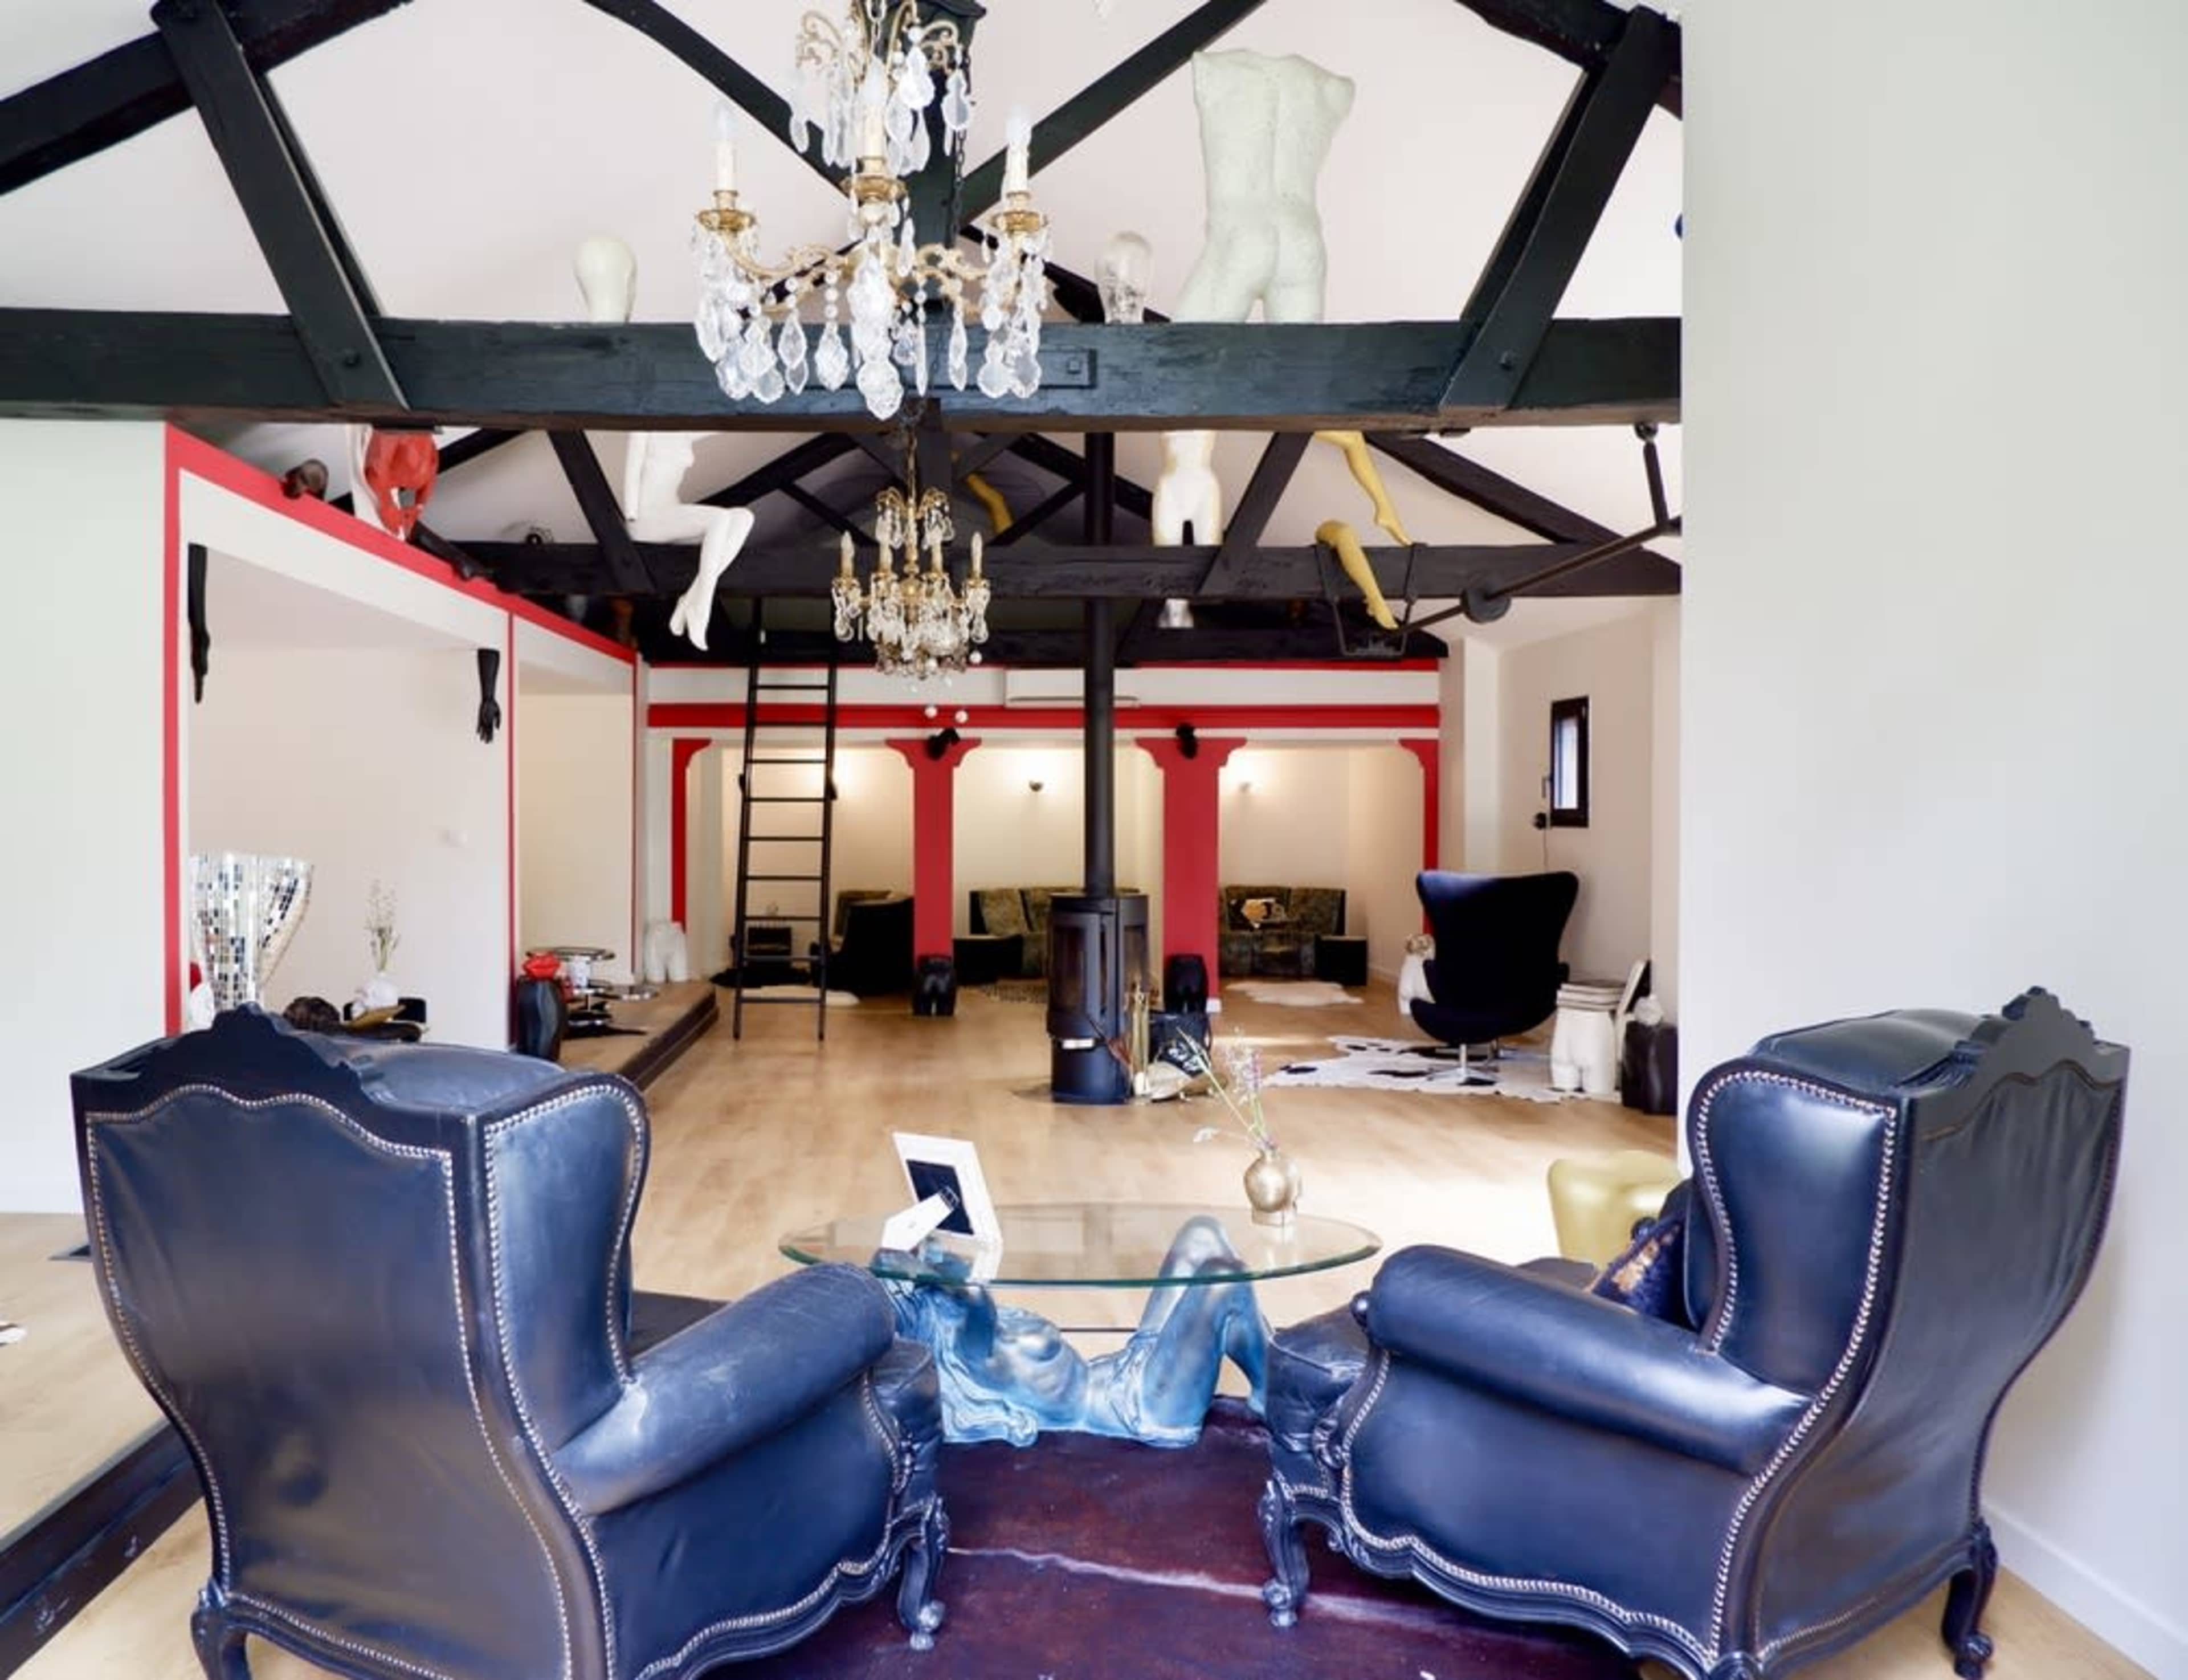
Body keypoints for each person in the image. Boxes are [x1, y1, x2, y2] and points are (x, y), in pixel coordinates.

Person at [890, 1214, 1269, 1447]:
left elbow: (957, 1277)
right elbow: (973, 1294)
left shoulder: (971, 1323)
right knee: (1224, 1279)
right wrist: (901, 1255)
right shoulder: (973, 1356)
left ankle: (1269, 1366)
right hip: (1143, 1409)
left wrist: (921, 1248)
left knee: (1201, 1233)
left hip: (1128, 1366)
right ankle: (1275, 1390)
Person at [572, 235, 754, 651]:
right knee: (722, 521)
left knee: (742, 517)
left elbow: (728, 425)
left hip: (668, 514)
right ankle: (700, 604)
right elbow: (632, 468)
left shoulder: (683, 430)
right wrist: (631, 515)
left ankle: (693, 598)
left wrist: (748, 393)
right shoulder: (649, 423)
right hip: (647, 520)